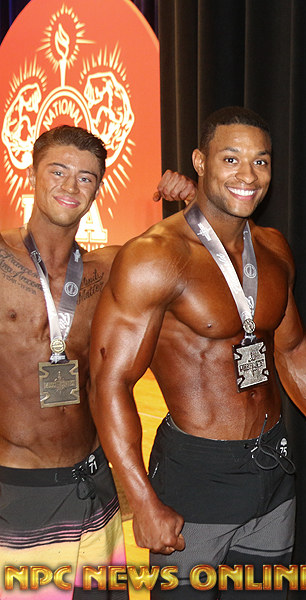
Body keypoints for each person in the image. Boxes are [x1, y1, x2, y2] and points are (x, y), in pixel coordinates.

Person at [90, 106, 306, 597]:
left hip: (273, 472)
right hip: (196, 479)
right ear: (200, 162)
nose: (248, 176)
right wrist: (142, 501)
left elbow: (292, 349)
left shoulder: (274, 249)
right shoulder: (155, 257)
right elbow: (110, 382)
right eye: (231, 159)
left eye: (261, 161)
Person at [0, 125, 127, 598]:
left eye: (86, 177)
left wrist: (190, 196)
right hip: (19, 493)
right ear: (32, 174)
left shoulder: (108, 269)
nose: (71, 186)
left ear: (97, 189)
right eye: (58, 171)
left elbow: (191, 249)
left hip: (94, 485)